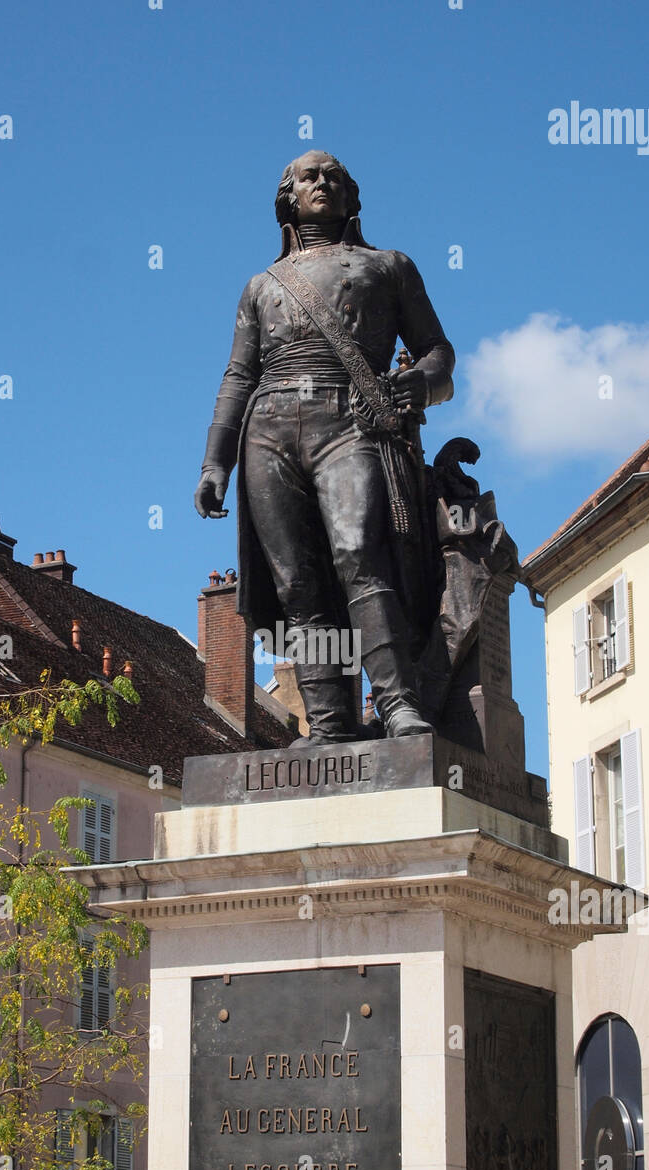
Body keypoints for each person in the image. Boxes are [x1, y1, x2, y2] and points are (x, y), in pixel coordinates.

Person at [194, 151, 455, 743]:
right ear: (288, 196)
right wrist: (216, 461)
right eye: (309, 176)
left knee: (359, 554)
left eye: (334, 176)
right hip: (268, 427)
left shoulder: (389, 266)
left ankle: (397, 704)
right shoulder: (261, 285)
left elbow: (439, 352)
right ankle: (330, 723)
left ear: (351, 195)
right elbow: (238, 375)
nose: (322, 183)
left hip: (349, 420)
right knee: (296, 581)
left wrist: (420, 382)